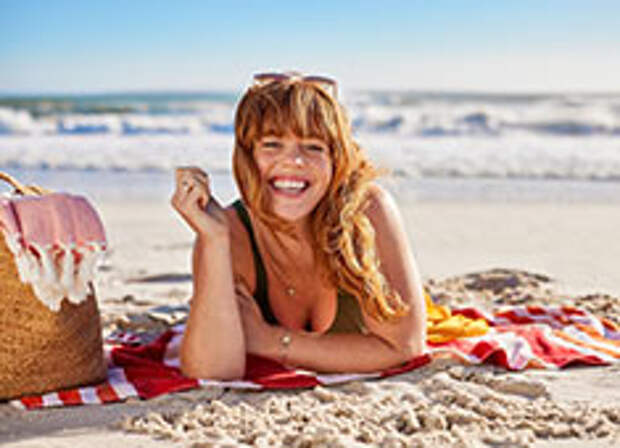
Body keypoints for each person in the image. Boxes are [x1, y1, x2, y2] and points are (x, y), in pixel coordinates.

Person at [171, 72, 427, 380]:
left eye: (313, 146)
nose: (293, 160)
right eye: (271, 144)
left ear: (336, 158)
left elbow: (405, 348)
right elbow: (212, 371)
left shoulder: (366, 213)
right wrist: (213, 240)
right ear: (247, 158)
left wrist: (270, 342)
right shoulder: (230, 232)